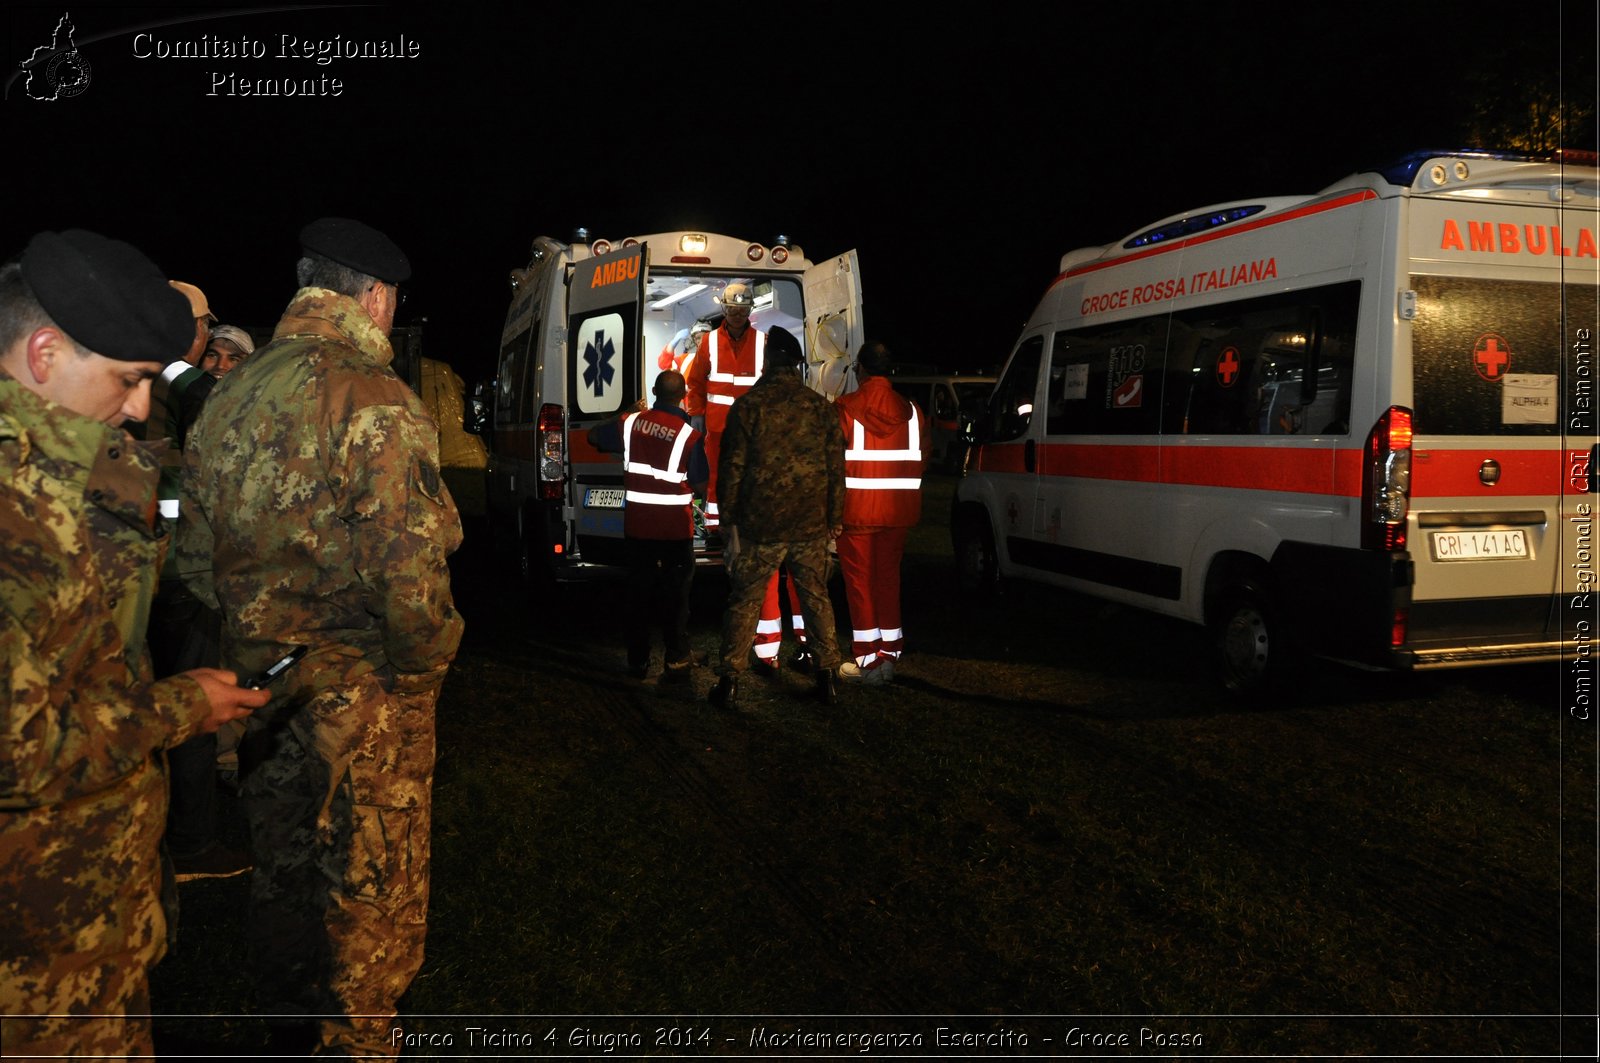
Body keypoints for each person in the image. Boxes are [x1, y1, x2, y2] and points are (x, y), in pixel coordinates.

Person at [178, 217, 464, 1056]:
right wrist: (421, 668)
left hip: (261, 682)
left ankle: (290, 1025)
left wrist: (259, 626)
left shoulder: (226, 393)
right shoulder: (371, 397)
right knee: (369, 884)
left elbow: (194, 557)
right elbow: (408, 572)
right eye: (390, 301)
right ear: (373, 296)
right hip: (362, 688)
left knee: (286, 865)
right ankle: (353, 1038)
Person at [0, 229, 267, 1059]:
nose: (141, 407)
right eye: (127, 380)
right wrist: (185, 704)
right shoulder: (15, 513)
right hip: (32, 953)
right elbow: (20, 753)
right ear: (45, 352)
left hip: (83, 918)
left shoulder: (59, 477)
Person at [708, 325, 846, 708]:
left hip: (760, 524)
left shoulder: (749, 406)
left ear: (768, 361)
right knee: (816, 597)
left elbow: (731, 468)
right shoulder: (820, 408)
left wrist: (728, 521)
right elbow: (837, 468)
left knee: (746, 600)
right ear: (798, 364)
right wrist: (834, 516)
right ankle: (827, 675)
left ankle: (729, 681)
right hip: (809, 522)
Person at [685, 283, 808, 672]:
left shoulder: (763, 342)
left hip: (753, 426)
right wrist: (698, 415)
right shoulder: (708, 342)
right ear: (724, 309)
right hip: (719, 429)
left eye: (742, 310)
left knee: (744, 477)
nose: (736, 315)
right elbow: (696, 382)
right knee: (718, 480)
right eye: (732, 310)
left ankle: (734, 521)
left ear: (750, 311)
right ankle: (719, 525)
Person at [586, 370, 708, 681]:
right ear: (682, 396)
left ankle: (637, 660)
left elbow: (593, 436)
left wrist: (627, 410)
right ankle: (677, 657)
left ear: (654, 391)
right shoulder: (688, 435)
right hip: (675, 531)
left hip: (639, 527)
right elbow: (701, 482)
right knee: (677, 595)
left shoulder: (629, 424)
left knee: (638, 593)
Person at [834, 342, 928, 684]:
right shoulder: (913, 411)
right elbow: (923, 457)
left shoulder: (845, 407)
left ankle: (868, 661)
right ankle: (889, 654)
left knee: (859, 584)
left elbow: (831, 462)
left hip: (857, 512)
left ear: (860, 368)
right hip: (897, 512)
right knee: (888, 580)